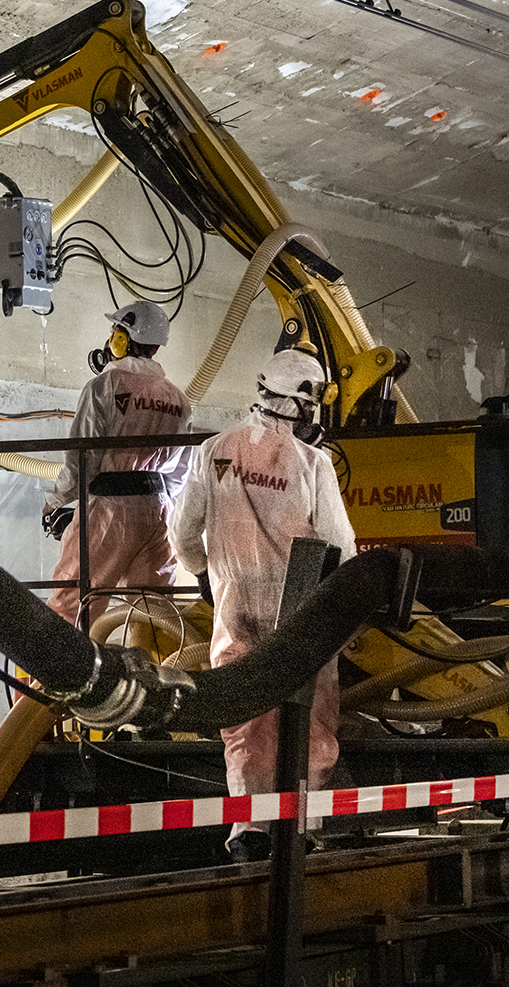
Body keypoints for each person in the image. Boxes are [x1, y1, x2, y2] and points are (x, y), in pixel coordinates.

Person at [172, 349, 356, 862]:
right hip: (302, 614)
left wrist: (204, 572)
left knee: (245, 721)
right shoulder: (313, 463)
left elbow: (184, 531)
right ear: (303, 402)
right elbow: (341, 546)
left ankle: (249, 831)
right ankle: (305, 825)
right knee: (311, 721)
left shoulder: (215, 451)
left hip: (235, 611)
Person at [42, 300, 192, 627]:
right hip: (158, 512)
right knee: (152, 616)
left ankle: (55, 677)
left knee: (73, 602)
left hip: (109, 510)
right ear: (154, 348)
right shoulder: (179, 401)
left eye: (115, 333)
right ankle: (151, 674)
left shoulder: (105, 386)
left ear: (123, 340)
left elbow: (83, 456)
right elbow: (180, 474)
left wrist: (56, 501)